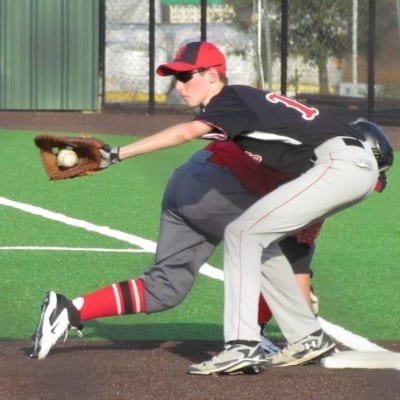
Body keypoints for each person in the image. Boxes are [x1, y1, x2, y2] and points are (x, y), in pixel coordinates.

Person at [31, 41, 392, 375]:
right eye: (177, 77)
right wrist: (116, 154)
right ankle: (245, 343)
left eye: (185, 75)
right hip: (214, 185)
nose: (179, 85)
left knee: (183, 277)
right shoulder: (240, 106)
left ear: (212, 74)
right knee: (239, 244)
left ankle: (71, 309)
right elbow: (187, 133)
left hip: (190, 185)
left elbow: (292, 263)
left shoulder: (245, 106)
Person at [30, 139, 322, 360]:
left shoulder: (303, 136)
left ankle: (68, 310)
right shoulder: (321, 177)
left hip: (186, 180)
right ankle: (251, 338)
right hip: (220, 186)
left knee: (165, 288)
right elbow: (295, 264)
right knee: (275, 251)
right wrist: (302, 316)